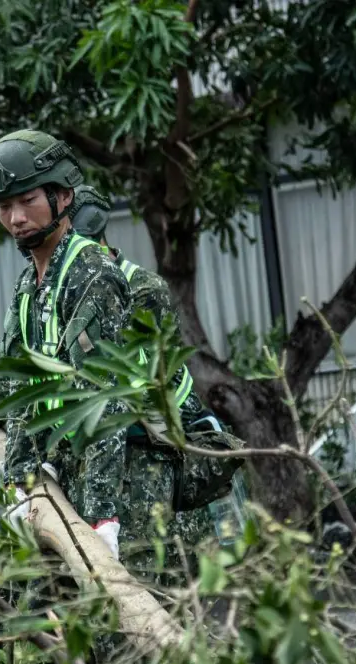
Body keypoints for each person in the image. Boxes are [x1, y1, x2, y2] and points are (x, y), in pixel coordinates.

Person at [68, 185, 245, 575]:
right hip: (88, 453)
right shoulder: (53, 290)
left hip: (146, 447)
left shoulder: (140, 287)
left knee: (150, 571)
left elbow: (160, 373)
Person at [0, 130, 132, 557]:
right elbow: (25, 389)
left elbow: (105, 396)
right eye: (4, 206)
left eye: (27, 201)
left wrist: (103, 518)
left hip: (119, 477)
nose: (15, 217)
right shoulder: (30, 283)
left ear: (62, 197)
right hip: (61, 469)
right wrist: (17, 480)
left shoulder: (91, 273)